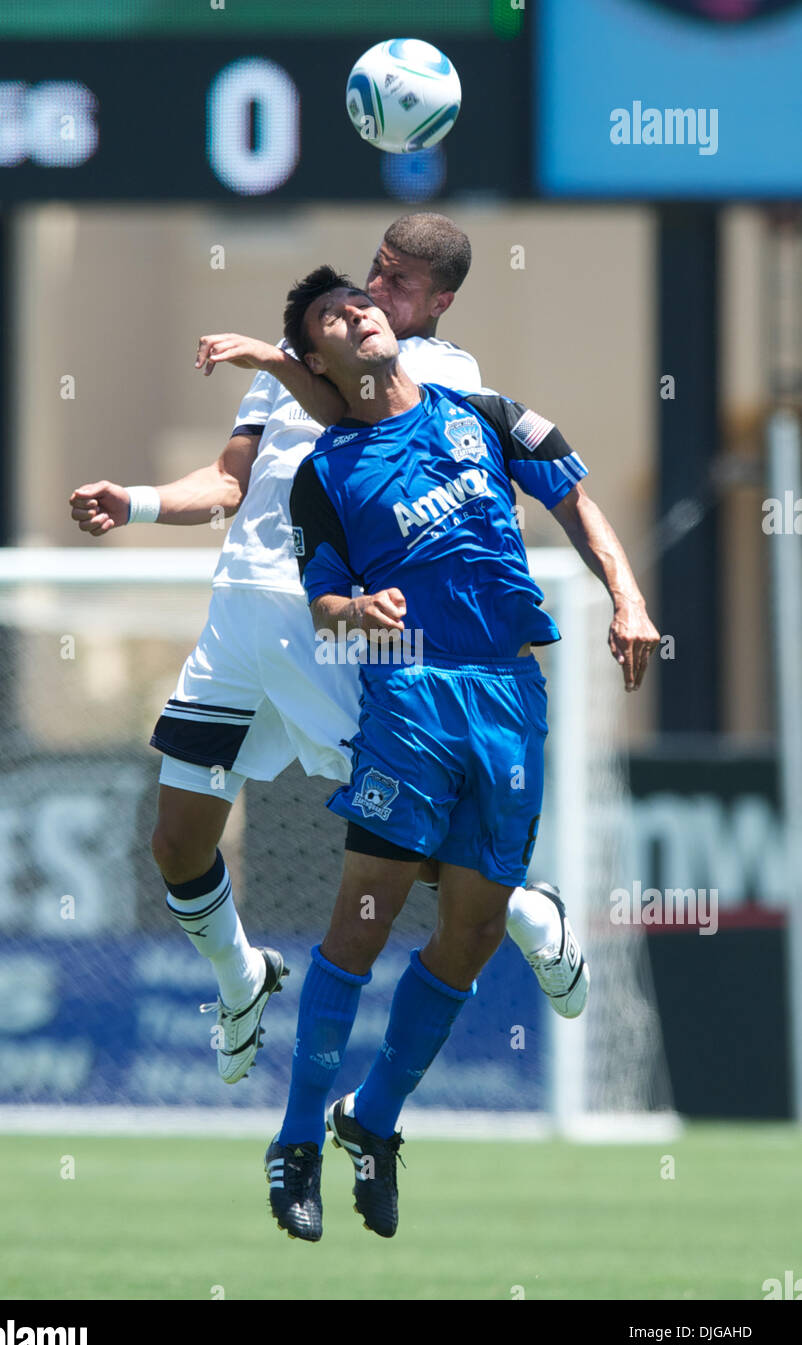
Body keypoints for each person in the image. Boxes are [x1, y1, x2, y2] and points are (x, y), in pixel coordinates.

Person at [69, 215, 585, 1086]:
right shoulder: (298, 358)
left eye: (400, 284)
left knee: (402, 830)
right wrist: (140, 501)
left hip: (331, 627)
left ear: (440, 301)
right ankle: (242, 978)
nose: (378, 294)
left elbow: (352, 404)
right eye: (372, 277)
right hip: (239, 614)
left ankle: (530, 910)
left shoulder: (438, 370)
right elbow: (231, 482)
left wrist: (282, 362)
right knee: (176, 840)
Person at [266, 268, 660, 1242]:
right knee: (362, 922)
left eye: (360, 300)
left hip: (508, 694)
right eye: (332, 317)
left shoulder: (484, 413)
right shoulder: (327, 471)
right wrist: (354, 612)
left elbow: (575, 502)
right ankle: (293, 1143)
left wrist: (627, 596)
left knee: (474, 932)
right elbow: (322, 603)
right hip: (409, 696)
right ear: (316, 360)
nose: (358, 312)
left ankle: (372, 1119)